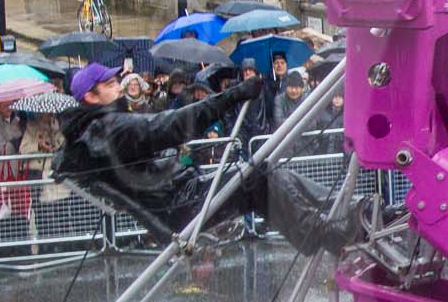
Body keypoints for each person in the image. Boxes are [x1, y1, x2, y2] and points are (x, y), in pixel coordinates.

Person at [55, 63, 354, 253]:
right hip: (179, 203)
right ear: (90, 97)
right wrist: (231, 96)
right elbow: (172, 125)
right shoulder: (107, 128)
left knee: (261, 178)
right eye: (109, 86)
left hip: (177, 196)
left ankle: (339, 215)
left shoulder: (95, 131)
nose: (119, 87)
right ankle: (325, 229)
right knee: (255, 177)